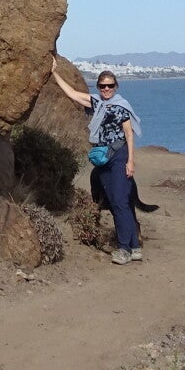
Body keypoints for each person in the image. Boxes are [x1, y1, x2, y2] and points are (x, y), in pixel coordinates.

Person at [50, 58, 143, 264]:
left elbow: (129, 135)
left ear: (116, 86)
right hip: (102, 158)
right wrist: (54, 73)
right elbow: (72, 94)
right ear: (98, 87)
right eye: (102, 86)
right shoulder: (96, 103)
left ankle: (124, 249)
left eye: (110, 86)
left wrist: (130, 161)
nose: (106, 89)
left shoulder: (121, 106)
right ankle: (134, 246)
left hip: (119, 156)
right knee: (115, 202)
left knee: (120, 201)